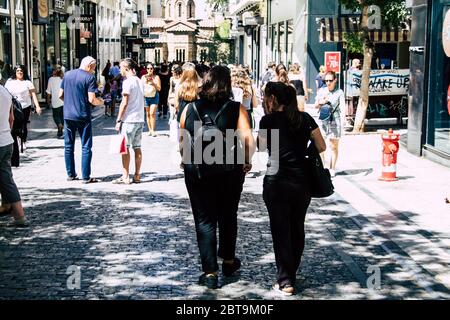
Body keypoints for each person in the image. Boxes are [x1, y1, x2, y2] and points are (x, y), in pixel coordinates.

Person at [179, 65, 255, 289]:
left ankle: (210, 272)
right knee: (228, 215)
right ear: (227, 85)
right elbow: (248, 139)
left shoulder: (190, 108)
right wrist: (247, 161)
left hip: (198, 172)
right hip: (229, 171)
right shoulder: (236, 109)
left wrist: (186, 162)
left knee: (204, 219)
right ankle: (229, 261)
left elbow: (183, 140)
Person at [258, 81, 325, 296]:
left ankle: (286, 281)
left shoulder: (268, 121)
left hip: (276, 181)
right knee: (297, 227)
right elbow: (322, 146)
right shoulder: (304, 118)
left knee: (281, 231)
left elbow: (261, 147)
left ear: (273, 99)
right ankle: (291, 272)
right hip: (302, 181)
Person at [59, 56, 104, 183]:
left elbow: (60, 95)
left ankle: (71, 174)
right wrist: (101, 102)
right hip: (83, 116)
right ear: (89, 66)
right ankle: (85, 176)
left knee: (68, 146)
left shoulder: (67, 75)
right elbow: (92, 99)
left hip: (68, 115)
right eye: (94, 68)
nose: (93, 71)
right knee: (86, 146)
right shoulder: (89, 78)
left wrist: (69, 103)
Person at [113, 58, 145, 184]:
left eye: (121, 67)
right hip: (139, 119)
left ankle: (125, 176)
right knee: (137, 147)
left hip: (129, 120)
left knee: (124, 149)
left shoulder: (127, 82)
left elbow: (124, 102)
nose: (120, 70)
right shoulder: (139, 80)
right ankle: (137, 175)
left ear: (126, 68)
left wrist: (118, 120)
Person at [0, 84, 28, 227]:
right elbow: (11, 119)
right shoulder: (4, 91)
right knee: (6, 180)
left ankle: (18, 215)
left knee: (6, 180)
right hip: (6, 141)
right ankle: (19, 215)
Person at [314, 71, 345, 177]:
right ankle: (322, 167)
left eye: (330, 80)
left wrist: (343, 122)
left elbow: (343, 108)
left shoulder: (339, 92)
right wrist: (320, 102)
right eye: (326, 80)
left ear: (335, 80)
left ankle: (332, 168)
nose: (328, 83)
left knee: (333, 146)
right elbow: (315, 105)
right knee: (320, 146)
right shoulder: (322, 91)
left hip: (334, 121)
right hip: (322, 120)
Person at [5, 64, 42, 149]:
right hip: (13, 107)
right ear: (15, 72)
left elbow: (33, 94)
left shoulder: (27, 82)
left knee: (23, 124)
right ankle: (16, 139)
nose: (19, 72)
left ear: (24, 72)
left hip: (25, 106)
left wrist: (37, 106)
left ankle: (23, 141)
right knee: (14, 124)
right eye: (18, 71)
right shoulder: (9, 81)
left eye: (21, 71)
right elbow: (6, 93)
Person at [141, 63, 161, 136]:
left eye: (151, 68)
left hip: (154, 96)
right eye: (148, 68)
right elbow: (141, 88)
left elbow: (159, 88)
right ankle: (149, 130)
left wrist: (153, 83)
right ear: (146, 69)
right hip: (146, 97)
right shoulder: (143, 77)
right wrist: (146, 81)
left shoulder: (156, 77)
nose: (149, 70)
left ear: (153, 69)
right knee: (147, 114)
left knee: (152, 113)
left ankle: (153, 130)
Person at [46, 68, 65, 138]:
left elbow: (48, 91)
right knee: (62, 115)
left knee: (56, 116)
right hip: (63, 100)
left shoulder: (51, 79)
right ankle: (61, 127)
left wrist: (48, 101)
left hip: (55, 100)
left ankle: (59, 126)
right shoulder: (63, 79)